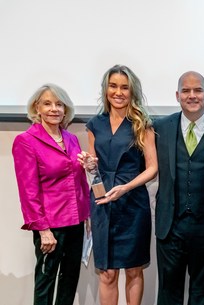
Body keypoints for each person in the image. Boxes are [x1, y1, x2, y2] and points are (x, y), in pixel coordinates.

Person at [153, 71, 204, 305]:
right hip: (170, 225)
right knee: (168, 292)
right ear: (177, 95)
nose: (192, 95)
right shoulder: (160, 127)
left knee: (201, 293)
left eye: (198, 90)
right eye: (186, 91)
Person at [79, 65, 157, 305]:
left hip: (133, 203)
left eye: (124, 87)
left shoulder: (142, 124)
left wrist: (125, 188)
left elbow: (152, 168)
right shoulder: (95, 124)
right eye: (113, 86)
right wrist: (89, 165)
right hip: (102, 203)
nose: (118, 92)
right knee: (107, 272)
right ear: (106, 89)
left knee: (134, 269)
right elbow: (94, 167)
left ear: (132, 91)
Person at [12, 83, 90, 305]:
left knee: (69, 281)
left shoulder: (71, 139)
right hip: (51, 226)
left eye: (59, 104)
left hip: (75, 223)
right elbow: (28, 191)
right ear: (37, 108)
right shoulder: (26, 141)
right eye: (47, 104)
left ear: (66, 110)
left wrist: (86, 215)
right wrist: (43, 230)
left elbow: (77, 180)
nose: (54, 109)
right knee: (45, 284)